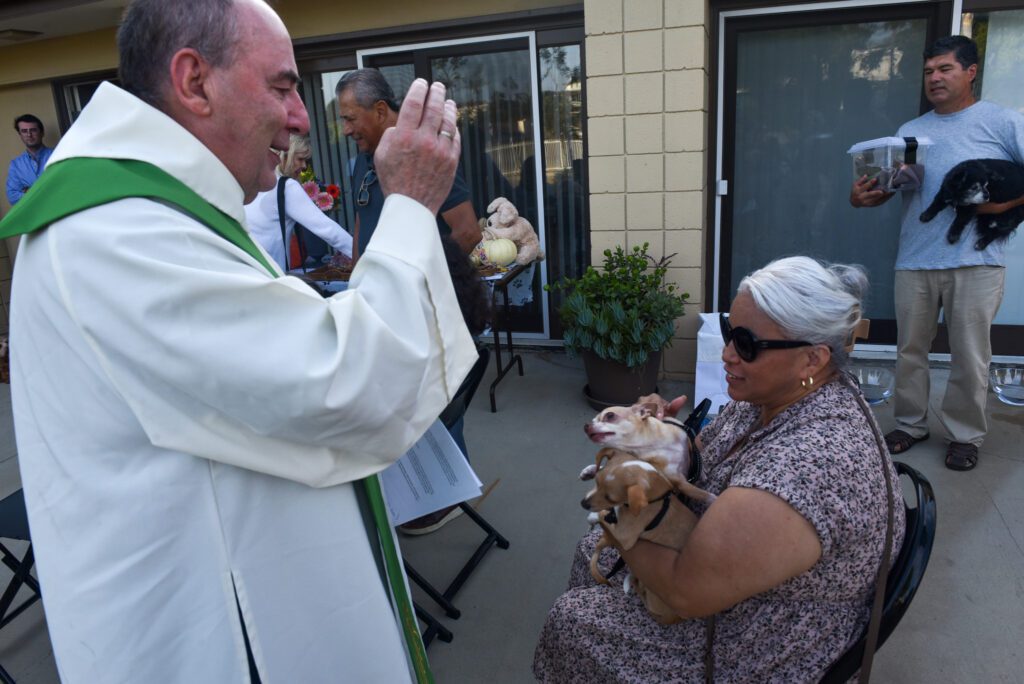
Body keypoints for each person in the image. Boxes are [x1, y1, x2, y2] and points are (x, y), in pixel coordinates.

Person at [1, 0, 478, 682]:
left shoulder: (149, 207)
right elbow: (347, 385)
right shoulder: (112, 231)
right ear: (195, 82)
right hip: (213, 638)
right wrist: (408, 206)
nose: (303, 116)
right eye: (283, 86)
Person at [534, 256, 906, 683]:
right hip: (748, 583)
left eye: (746, 344)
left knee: (573, 621)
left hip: (767, 642)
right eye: (731, 331)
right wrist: (666, 435)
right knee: (591, 552)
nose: (727, 354)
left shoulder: (813, 465)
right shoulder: (778, 396)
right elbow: (707, 455)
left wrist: (612, 510)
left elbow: (685, 591)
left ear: (812, 359)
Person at [850, 35, 1024, 471]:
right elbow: (889, 190)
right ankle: (910, 424)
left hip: (976, 262)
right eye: (929, 71)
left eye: (945, 69)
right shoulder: (910, 131)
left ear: (970, 71)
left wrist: (1002, 206)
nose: (935, 78)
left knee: (969, 354)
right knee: (910, 350)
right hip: (914, 259)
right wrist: (862, 196)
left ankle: (965, 435)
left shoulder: (1002, 122)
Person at [337, 68, 482, 256]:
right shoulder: (363, 160)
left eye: (350, 119)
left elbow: (467, 232)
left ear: (380, 111)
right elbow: (362, 223)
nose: (345, 130)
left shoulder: (425, 154)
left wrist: (419, 279)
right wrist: (358, 281)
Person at [244, 133, 353, 270]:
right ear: (285, 156)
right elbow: (327, 229)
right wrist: (360, 256)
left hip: (248, 268)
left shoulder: (254, 182)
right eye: (300, 159)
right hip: (270, 273)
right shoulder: (287, 187)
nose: (304, 166)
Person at [6, 114, 53, 205]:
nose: (29, 135)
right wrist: (45, 191)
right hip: (36, 216)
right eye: (24, 131)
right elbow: (12, 197)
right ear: (20, 135)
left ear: (42, 133)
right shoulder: (16, 165)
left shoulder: (57, 155)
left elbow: (65, 185)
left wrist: (29, 191)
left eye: (33, 130)